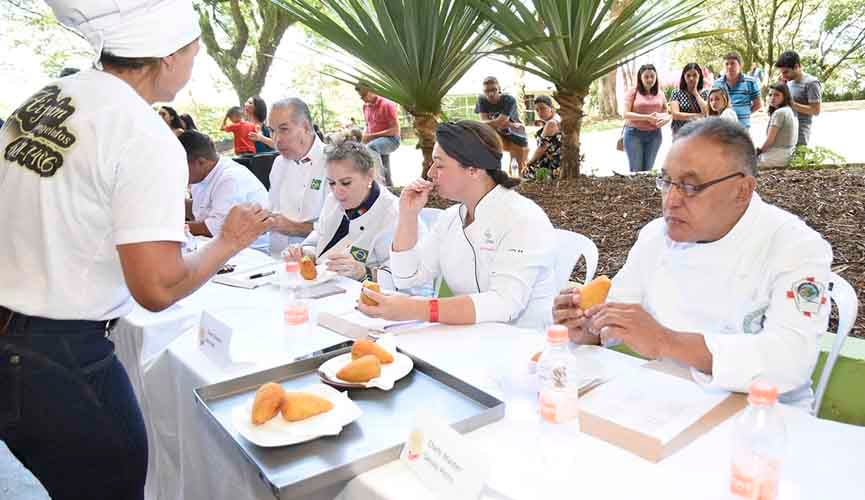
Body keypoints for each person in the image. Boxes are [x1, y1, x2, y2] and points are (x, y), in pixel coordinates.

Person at [0, 1, 272, 499]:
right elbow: (156, 286)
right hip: (63, 358)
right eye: (195, 51)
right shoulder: (142, 133)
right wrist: (229, 242)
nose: (194, 65)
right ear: (168, 56)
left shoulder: (46, 99)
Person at [553, 118, 832, 410]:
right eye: (666, 181)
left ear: (742, 191)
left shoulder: (794, 246)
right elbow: (616, 317)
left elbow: (789, 361)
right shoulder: (654, 236)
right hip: (666, 399)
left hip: (764, 415)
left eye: (690, 186)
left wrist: (665, 341)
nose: (671, 200)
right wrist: (585, 327)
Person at [358, 120, 557, 330]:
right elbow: (407, 277)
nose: (431, 173)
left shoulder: (523, 218)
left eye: (440, 164)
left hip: (524, 345)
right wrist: (408, 215)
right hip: (470, 339)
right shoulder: (451, 218)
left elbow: (504, 303)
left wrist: (415, 309)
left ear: (473, 169)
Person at [284, 141, 403, 281]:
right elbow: (319, 239)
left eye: (346, 183)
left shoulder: (393, 215)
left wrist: (364, 273)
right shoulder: (331, 200)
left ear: (369, 175)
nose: (337, 192)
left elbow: (404, 280)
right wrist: (304, 253)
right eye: (332, 183)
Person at [178, 130, 270, 251]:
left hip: (251, 253)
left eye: (181, 166)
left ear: (201, 162)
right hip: (223, 248)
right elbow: (199, 208)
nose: (178, 172)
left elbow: (213, 229)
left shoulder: (230, 179)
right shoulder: (203, 175)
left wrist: (171, 228)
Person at [267, 97, 330, 255]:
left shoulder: (334, 162)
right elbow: (272, 209)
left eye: (284, 129)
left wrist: (295, 228)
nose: (277, 139)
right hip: (276, 259)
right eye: (272, 131)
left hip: (319, 261)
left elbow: (342, 227)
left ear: (306, 127)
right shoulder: (278, 163)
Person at [475, 76, 529, 177]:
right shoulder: (482, 99)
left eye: (493, 90)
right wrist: (494, 123)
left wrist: (492, 122)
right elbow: (484, 122)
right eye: (487, 91)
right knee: (486, 139)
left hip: (515, 134)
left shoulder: (508, 99)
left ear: (499, 89)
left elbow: (500, 121)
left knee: (517, 172)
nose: (490, 94)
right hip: (497, 133)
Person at [622, 64, 670, 172]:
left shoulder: (660, 93)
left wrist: (665, 118)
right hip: (634, 134)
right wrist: (647, 117)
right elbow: (625, 114)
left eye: (652, 76)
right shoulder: (633, 92)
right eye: (646, 77)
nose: (650, 79)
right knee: (636, 170)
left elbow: (666, 111)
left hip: (655, 135)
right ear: (640, 78)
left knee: (648, 171)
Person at [355, 82, 401, 186]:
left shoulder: (387, 104)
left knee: (371, 147)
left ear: (372, 91)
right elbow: (367, 125)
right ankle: (388, 186)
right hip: (376, 141)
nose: (362, 98)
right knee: (357, 150)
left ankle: (379, 183)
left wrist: (371, 136)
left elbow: (395, 130)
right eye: (360, 96)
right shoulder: (365, 107)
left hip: (391, 140)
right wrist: (364, 136)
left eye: (364, 95)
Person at [774, 51, 822, 146]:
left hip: (799, 134)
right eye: (781, 72)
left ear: (796, 67)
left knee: (797, 160)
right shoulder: (788, 81)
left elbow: (816, 111)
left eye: (786, 72)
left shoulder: (811, 83)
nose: (783, 75)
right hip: (785, 129)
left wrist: (791, 104)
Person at [712, 52, 762, 128]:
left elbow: (758, 104)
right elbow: (712, 105)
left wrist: (745, 114)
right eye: (726, 64)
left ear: (740, 65)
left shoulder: (750, 82)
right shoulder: (717, 84)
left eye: (733, 63)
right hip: (723, 129)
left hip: (743, 129)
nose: (729, 66)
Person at [756, 83, 798, 167]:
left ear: (785, 96)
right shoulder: (789, 110)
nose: (772, 98)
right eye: (770, 94)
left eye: (777, 95)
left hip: (776, 156)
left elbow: (770, 141)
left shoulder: (780, 113)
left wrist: (758, 152)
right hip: (787, 155)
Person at [525, 95, 562, 179]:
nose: (539, 112)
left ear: (551, 108)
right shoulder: (557, 119)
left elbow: (542, 147)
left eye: (543, 108)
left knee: (524, 173)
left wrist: (529, 162)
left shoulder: (551, 123)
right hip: (557, 162)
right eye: (537, 110)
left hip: (552, 165)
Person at [670, 63, 709, 135]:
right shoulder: (676, 92)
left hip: (699, 133)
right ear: (684, 77)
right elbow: (675, 115)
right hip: (680, 132)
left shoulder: (706, 92)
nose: (691, 78)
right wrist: (699, 116)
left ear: (699, 76)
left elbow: (706, 112)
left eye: (695, 75)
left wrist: (696, 93)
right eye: (688, 75)